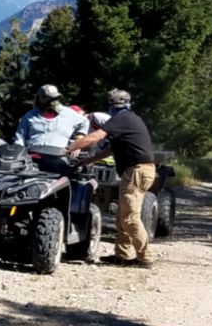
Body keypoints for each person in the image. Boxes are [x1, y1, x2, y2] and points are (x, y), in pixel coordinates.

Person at [66, 88, 156, 267]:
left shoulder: (121, 119)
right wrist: (90, 160)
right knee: (123, 214)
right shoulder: (129, 119)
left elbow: (95, 137)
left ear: (112, 105)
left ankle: (145, 257)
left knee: (130, 217)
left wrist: (68, 149)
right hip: (139, 171)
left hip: (136, 171)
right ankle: (122, 255)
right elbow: (111, 148)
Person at [13, 84, 89, 173]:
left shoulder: (69, 114)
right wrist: (17, 156)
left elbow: (84, 122)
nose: (53, 102)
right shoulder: (29, 116)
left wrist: (78, 141)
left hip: (59, 158)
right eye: (49, 99)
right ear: (40, 99)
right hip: (33, 158)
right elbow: (19, 139)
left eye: (55, 98)